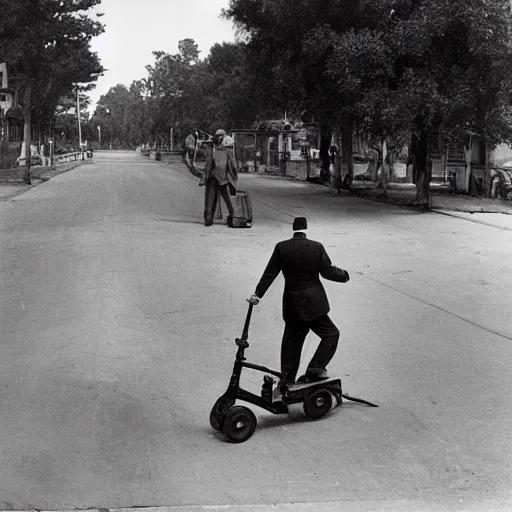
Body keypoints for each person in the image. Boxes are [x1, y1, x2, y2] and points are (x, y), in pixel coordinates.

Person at [247, 217, 350, 385]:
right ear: (306, 229)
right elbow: (326, 271)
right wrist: (344, 276)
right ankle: (315, 369)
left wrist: (257, 294)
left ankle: (287, 381)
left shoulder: (282, 247)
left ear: (293, 229)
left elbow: (270, 272)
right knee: (331, 334)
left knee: (291, 345)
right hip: (315, 305)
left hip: (293, 305)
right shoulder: (316, 247)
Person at [203, 128, 238, 227]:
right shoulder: (227, 149)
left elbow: (207, 162)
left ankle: (208, 219)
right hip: (223, 177)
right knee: (228, 199)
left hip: (212, 176)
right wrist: (234, 175)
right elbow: (233, 165)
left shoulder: (211, 148)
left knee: (210, 199)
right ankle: (233, 217)